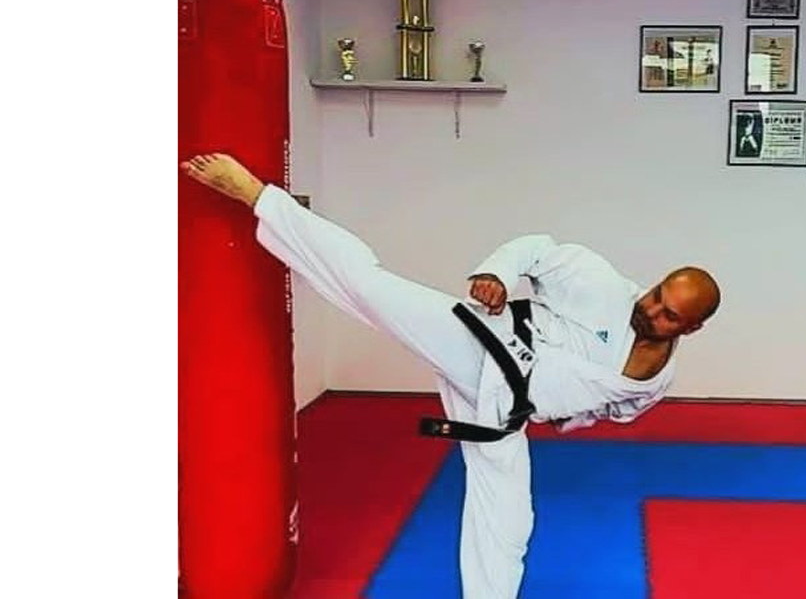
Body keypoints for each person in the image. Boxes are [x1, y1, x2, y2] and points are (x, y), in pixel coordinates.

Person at [179, 153, 721, 598]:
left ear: (691, 328)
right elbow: (534, 249)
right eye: (656, 294)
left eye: (668, 315)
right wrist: (497, 274)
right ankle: (258, 195)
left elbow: (611, 409)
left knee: (508, 526)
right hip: (482, 345)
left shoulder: (655, 382)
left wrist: (567, 418)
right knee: (369, 286)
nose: (651, 309)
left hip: (503, 415)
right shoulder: (600, 283)